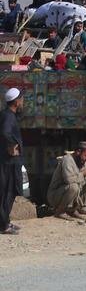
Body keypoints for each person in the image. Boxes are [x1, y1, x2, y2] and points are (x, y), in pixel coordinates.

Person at [47, 141, 86, 219]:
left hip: (73, 193)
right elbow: (69, 180)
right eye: (85, 156)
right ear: (78, 152)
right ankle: (60, 211)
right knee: (73, 187)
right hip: (56, 195)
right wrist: (82, 174)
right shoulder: (67, 160)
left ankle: (73, 209)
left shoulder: (84, 162)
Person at [1, 88, 25, 235]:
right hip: (8, 162)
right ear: (16, 102)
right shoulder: (9, 117)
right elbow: (5, 132)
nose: (23, 103)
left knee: (8, 192)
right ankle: (4, 226)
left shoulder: (6, 115)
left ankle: (5, 222)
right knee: (7, 192)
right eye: (21, 100)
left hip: (7, 161)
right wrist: (12, 145)